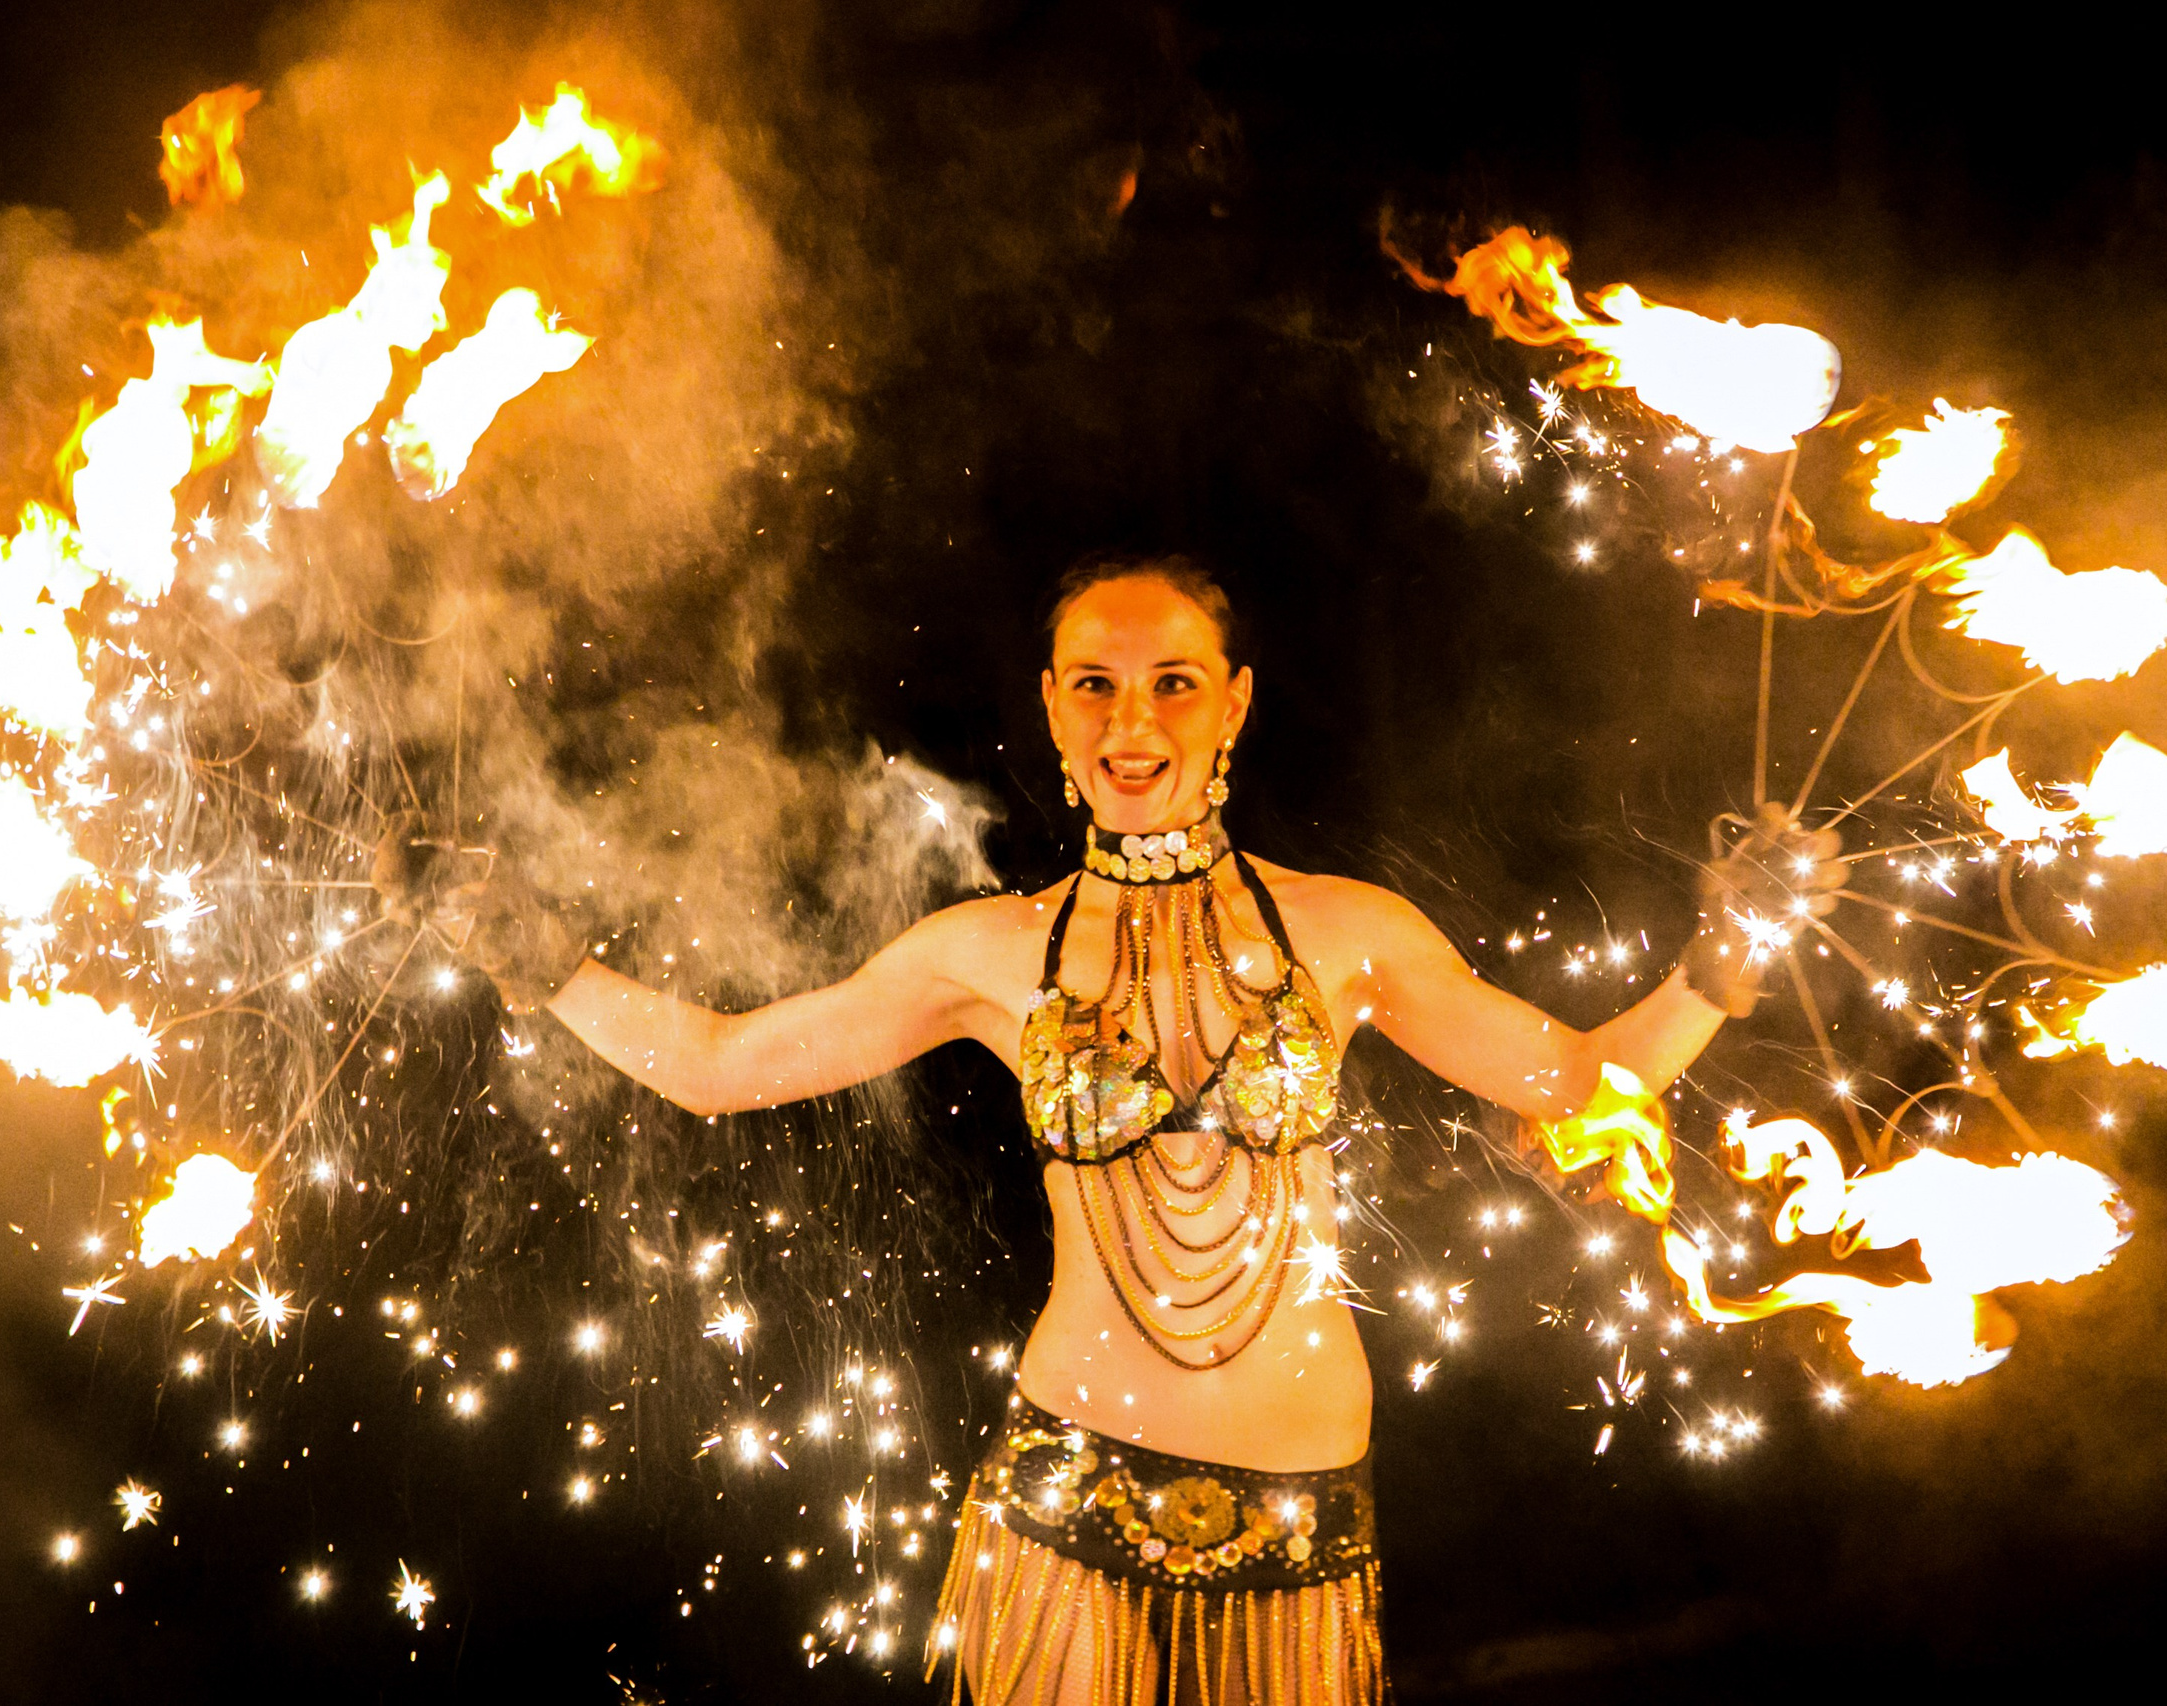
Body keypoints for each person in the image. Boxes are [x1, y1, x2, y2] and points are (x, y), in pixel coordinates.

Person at [448, 553, 1842, 1706]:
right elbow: (716, 1064)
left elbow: (1583, 1080)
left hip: (1301, 1513)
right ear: (1055, 711)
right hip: (1065, 1491)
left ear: (1232, 703)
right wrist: (542, 960)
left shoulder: (1353, 931)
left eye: (1174, 681)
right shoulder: (988, 952)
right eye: (1100, 685)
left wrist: (1728, 954)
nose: (1137, 719)